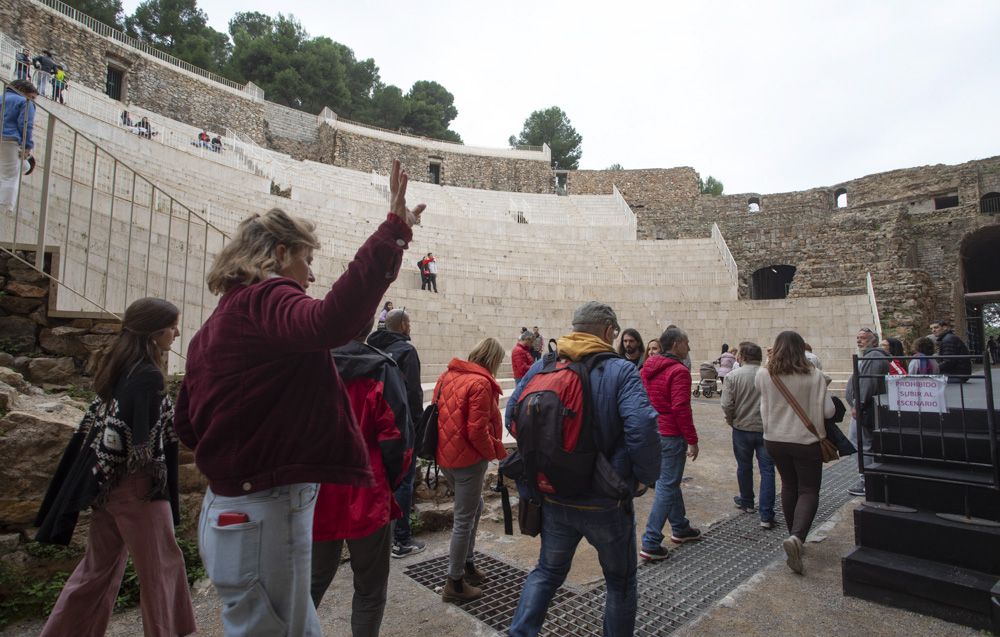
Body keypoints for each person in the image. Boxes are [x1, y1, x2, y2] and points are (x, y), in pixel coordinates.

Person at [173, 159, 424, 636]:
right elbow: (332, 322)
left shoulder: (216, 324)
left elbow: (187, 424)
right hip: (263, 512)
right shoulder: (264, 300)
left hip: (229, 509)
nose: (309, 276)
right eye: (306, 261)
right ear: (280, 253)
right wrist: (393, 233)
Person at [36, 298, 196, 637]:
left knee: (98, 570)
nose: (177, 332)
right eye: (172, 327)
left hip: (106, 484)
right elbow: (146, 443)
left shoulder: (122, 366)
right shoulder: (148, 375)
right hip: (138, 487)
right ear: (154, 332)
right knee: (162, 568)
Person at [507, 302, 660, 636]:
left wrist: (548, 459)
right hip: (604, 500)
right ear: (607, 332)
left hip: (556, 497)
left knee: (547, 572)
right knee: (620, 583)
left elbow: (512, 414)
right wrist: (643, 478)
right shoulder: (620, 370)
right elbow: (642, 426)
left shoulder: (545, 365)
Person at [311, 319, 412, 636]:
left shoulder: (308, 366)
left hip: (316, 494)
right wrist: (389, 484)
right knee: (369, 589)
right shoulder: (382, 368)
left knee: (310, 585)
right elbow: (398, 441)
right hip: (367, 492)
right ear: (367, 326)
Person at [756, 330, 835, 575]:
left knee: (789, 486)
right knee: (809, 489)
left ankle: (793, 535)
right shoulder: (815, 376)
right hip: (806, 440)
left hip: (774, 439)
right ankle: (798, 537)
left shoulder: (764, 374)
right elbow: (829, 412)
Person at [435, 338, 508, 603]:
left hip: (446, 457)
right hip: (468, 461)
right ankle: (454, 583)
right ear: (493, 360)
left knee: (474, 508)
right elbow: (476, 430)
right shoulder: (480, 383)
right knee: (464, 518)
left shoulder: (448, 375)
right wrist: (495, 452)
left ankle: (467, 565)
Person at [367, 308, 425, 559]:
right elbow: (413, 393)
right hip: (401, 427)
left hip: (376, 424)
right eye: (409, 321)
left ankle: (382, 538)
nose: (410, 326)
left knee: (384, 481)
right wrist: (418, 425)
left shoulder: (373, 349)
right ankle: (401, 540)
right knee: (404, 482)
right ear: (402, 324)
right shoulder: (406, 351)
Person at [640, 327, 702, 560]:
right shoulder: (679, 371)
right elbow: (680, 408)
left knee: (669, 481)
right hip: (670, 434)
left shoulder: (648, 368)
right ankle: (651, 541)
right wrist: (692, 440)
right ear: (676, 344)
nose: (689, 347)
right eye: (686, 342)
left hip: (653, 432)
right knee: (667, 485)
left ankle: (680, 527)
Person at [720, 342, 775, 529]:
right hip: (765, 429)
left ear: (741, 356)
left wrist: (731, 419)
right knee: (767, 470)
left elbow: (727, 404)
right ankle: (766, 515)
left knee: (744, 466)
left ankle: (747, 501)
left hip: (742, 428)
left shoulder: (733, 376)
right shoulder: (769, 374)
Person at [845, 327, 889, 497]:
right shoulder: (869, 356)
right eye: (858, 337)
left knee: (863, 444)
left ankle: (867, 480)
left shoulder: (874, 356)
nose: (859, 340)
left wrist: (859, 404)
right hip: (865, 408)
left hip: (866, 409)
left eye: (863, 338)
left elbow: (867, 383)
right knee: (862, 443)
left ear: (874, 341)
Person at [1, 80, 37, 214]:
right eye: (32, 97)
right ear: (23, 92)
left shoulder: (2, 97)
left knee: (8, 170)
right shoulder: (25, 102)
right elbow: (26, 124)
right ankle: (6, 207)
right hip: (10, 139)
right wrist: (27, 146)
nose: (33, 101)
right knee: (11, 176)